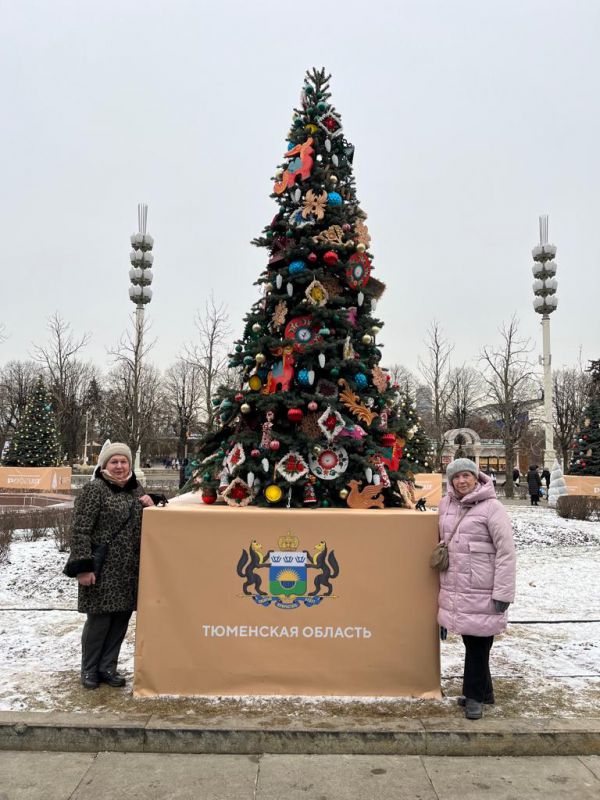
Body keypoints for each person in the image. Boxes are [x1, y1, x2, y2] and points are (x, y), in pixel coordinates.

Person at [63, 443, 156, 690]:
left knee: (120, 621)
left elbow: (146, 523)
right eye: (114, 462)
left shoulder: (136, 489)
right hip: (101, 569)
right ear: (104, 465)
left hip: (128, 570)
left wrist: (152, 505)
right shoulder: (95, 489)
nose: (119, 466)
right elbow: (80, 530)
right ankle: (90, 669)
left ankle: (107, 667)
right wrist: (83, 567)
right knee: (99, 622)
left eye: (123, 462)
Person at [438, 458, 516, 720]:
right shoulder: (445, 505)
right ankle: (485, 693)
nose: (462, 481)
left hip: (483, 588)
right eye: (456, 477)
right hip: (456, 586)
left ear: (476, 477)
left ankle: (473, 697)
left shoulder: (492, 507)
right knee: (472, 640)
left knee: (479, 644)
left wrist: (503, 593)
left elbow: (506, 552)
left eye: (466, 476)